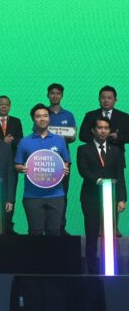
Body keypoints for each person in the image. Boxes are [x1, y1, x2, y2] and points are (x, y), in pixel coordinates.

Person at [77, 116, 127, 274]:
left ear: (110, 130)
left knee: (109, 236)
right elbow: (83, 171)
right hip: (90, 198)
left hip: (110, 198)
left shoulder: (117, 151)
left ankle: (110, 267)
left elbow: (120, 176)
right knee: (92, 235)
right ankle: (92, 269)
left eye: (106, 128)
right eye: (100, 128)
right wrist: (99, 180)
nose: (103, 131)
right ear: (93, 130)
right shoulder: (83, 149)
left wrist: (122, 198)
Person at [79, 85, 129, 237]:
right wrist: (99, 141)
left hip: (114, 157)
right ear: (99, 99)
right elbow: (82, 135)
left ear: (115, 100)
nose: (106, 100)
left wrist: (115, 138)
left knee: (114, 189)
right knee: (94, 199)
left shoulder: (124, 116)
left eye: (109, 98)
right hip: (94, 159)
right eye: (103, 97)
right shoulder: (90, 115)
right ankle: (98, 228)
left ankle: (114, 226)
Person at [14, 104, 70, 236]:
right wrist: (21, 169)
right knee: (35, 232)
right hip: (32, 196)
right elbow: (17, 164)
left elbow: (66, 161)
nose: (42, 119)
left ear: (49, 118)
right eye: (38, 116)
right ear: (33, 119)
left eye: (45, 116)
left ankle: (53, 258)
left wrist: (65, 168)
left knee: (54, 232)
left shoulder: (59, 140)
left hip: (56, 195)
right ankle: (35, 257)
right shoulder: (24, 141)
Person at [45, 83, 76, 235]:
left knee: (63, 194)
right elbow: (37, 133)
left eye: (58, 93)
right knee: (45, 194)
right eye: (52, 93)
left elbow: (73, 137)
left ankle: (60, 227)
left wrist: (68, 136)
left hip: (64, 160)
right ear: (48, 95)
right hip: (45, 161)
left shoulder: (68, 115)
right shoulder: (43, 113)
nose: (55, 95)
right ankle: (47, 227)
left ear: (62, 96)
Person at [0, 95, 24, 234]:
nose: (4, 106)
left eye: (6, 104)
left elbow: (21, 140)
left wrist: (12, 140)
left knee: (10, 194)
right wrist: (2, 141)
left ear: (10, 106)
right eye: (1, 104)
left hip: (11, 164)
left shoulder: (16, 121)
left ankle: (8, 226)